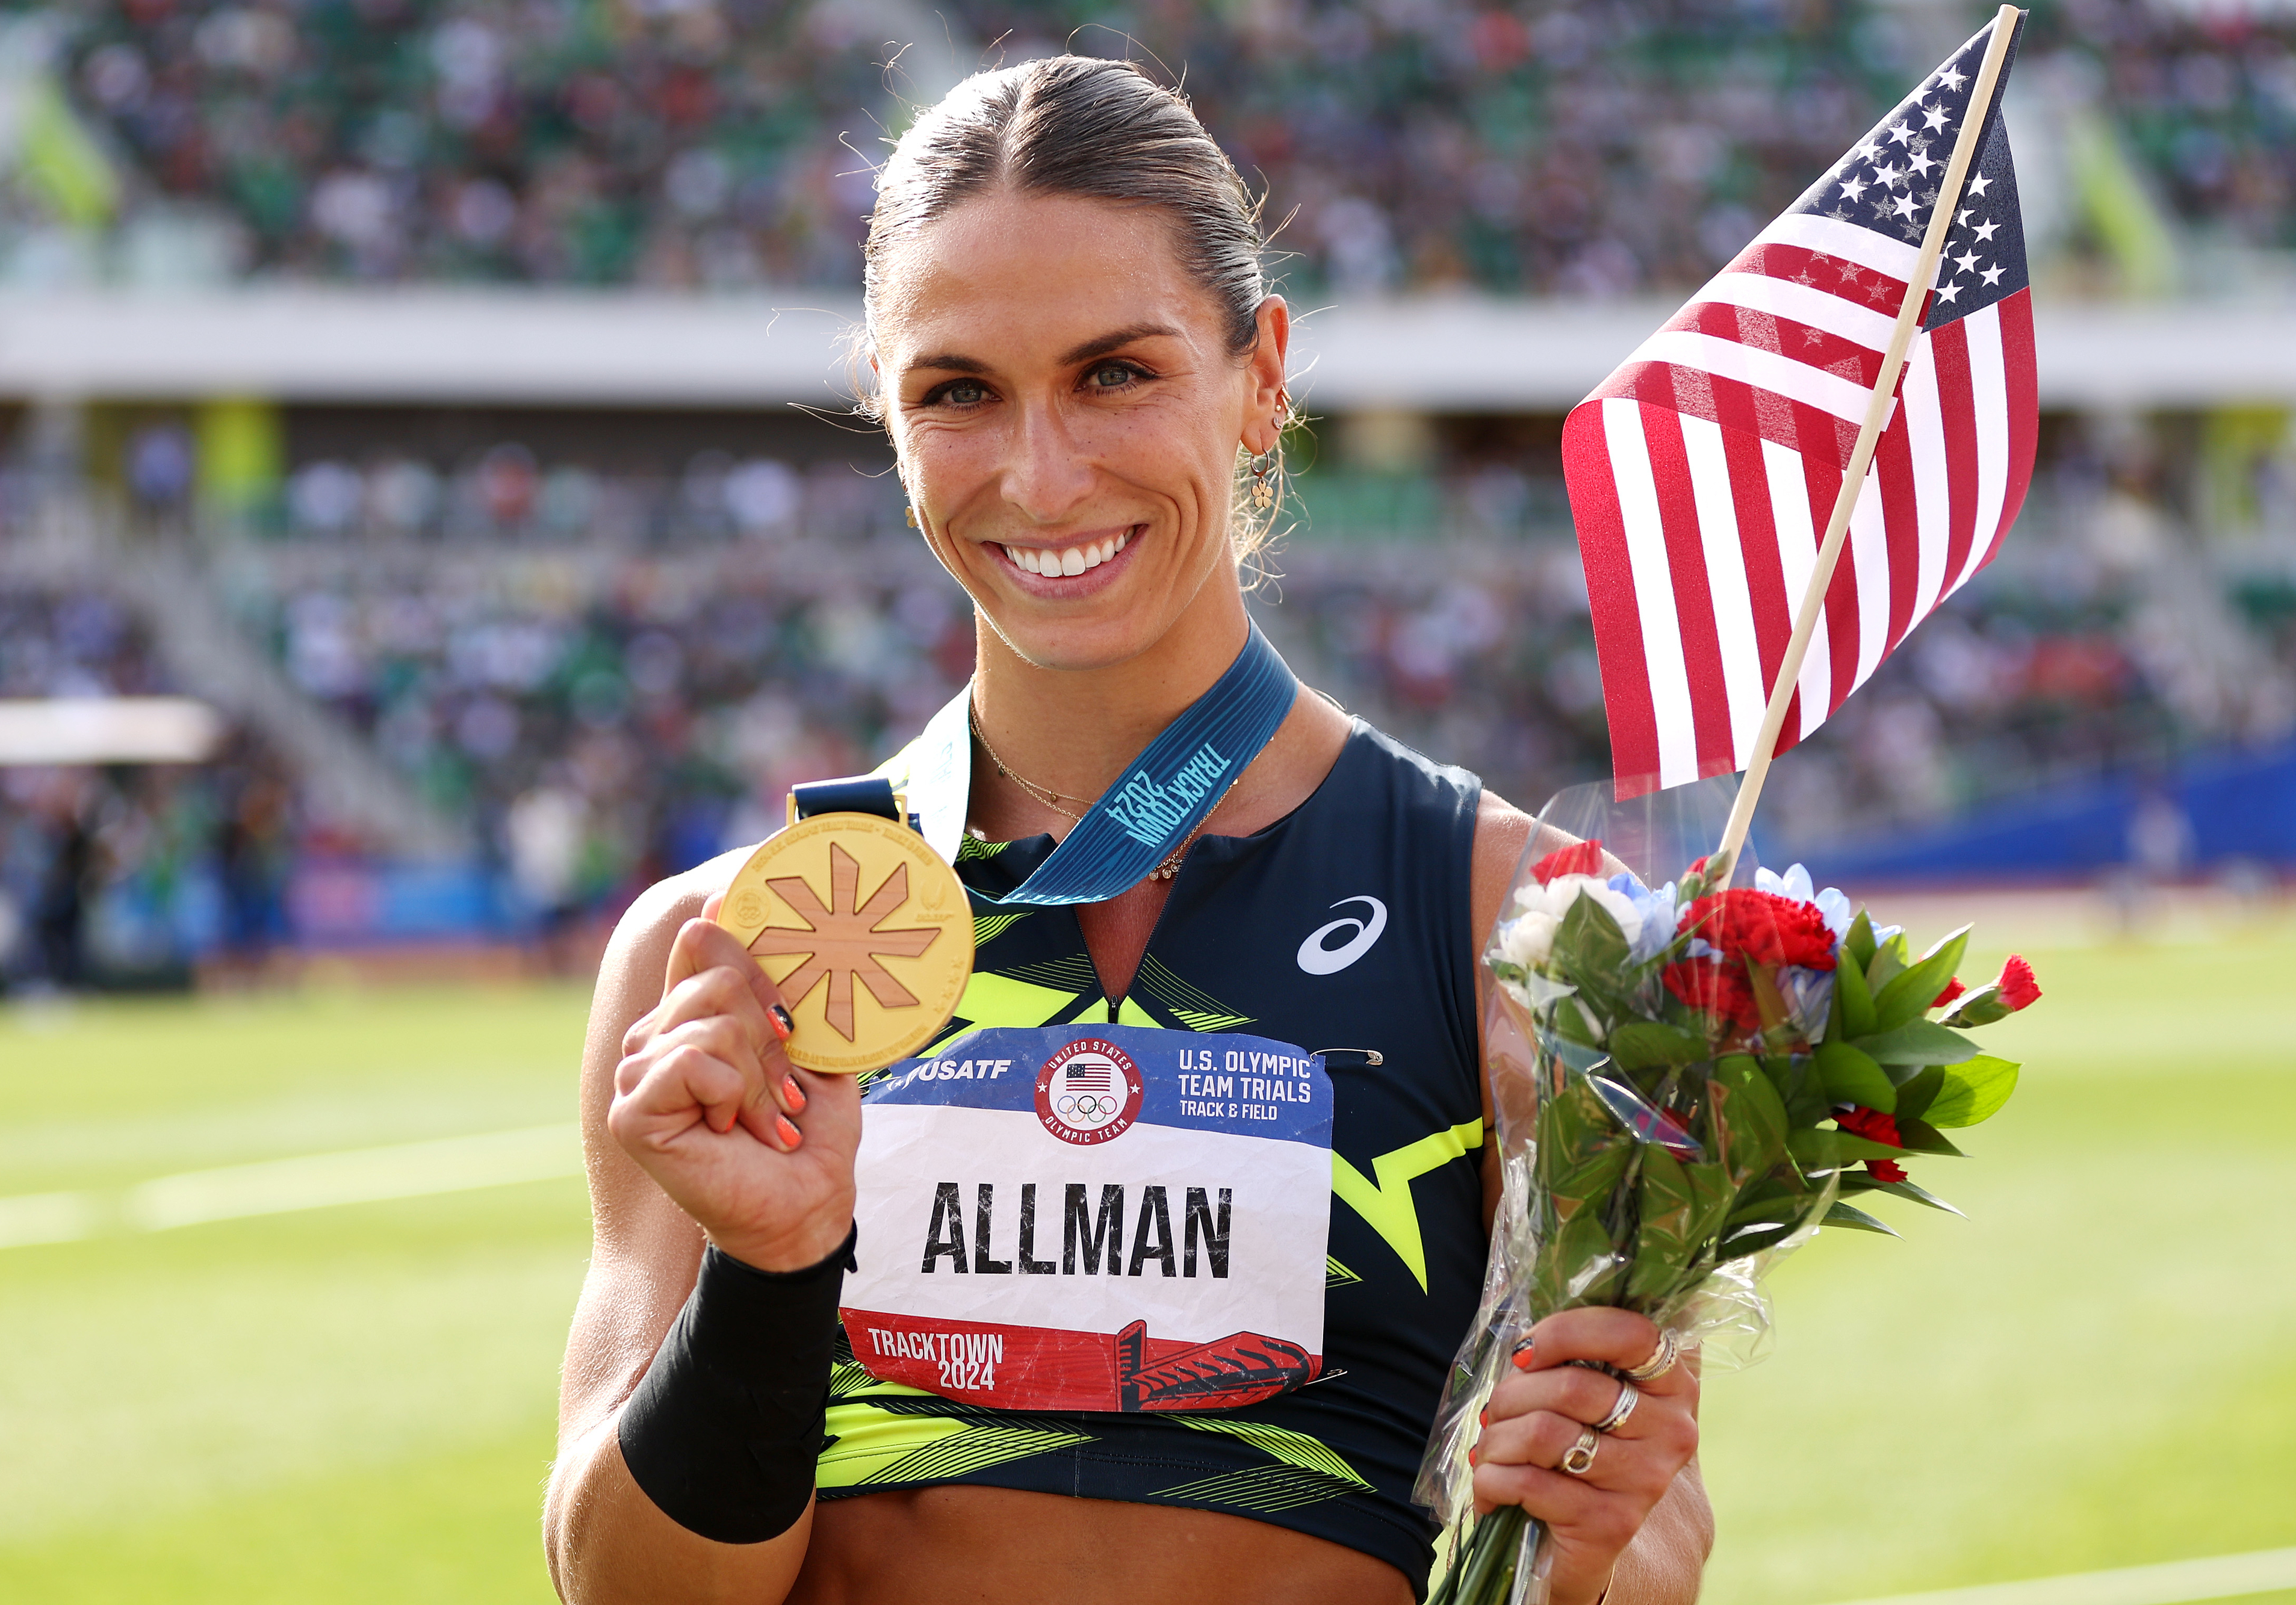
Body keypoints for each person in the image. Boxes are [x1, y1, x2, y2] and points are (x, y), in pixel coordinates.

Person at [547, 57, 1710, 1605]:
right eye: (957, 392)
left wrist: (1593, 1540)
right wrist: (768, 1278)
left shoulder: (1523, 928)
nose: (1040, 474)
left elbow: (1640, 1549)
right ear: (887, 426)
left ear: (1261, 374)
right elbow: (628, 1593)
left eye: (1115, 374)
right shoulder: (731, 953)